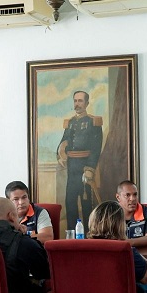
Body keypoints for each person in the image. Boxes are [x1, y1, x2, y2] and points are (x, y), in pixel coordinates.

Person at [57, 90, 103, 232]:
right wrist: (60, 155)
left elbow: (96, 148)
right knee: (70, 202)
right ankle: (72, 234)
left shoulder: (93, 122)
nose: (77, 104)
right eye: (75, 101)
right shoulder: (70, 122)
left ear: (87, 103)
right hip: (72, 167)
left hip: (85, 167)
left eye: (80, 101)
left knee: (86, 203)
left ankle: (90, 234)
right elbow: (63, 142)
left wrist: (90, 169)